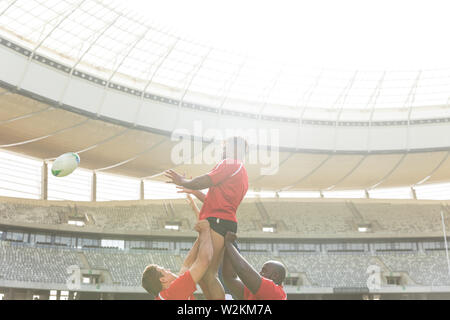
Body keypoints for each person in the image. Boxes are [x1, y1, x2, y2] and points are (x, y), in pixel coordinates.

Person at [164, 136, 249, 300]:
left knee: (209, 274)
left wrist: (184, 181)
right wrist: (195, 192)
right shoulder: (241, 173)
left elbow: (204, 180)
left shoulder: (230, 164)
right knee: (203, 276)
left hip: (217, 222)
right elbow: (217, 202)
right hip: (221, 221)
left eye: (226, 147)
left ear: (236, 149)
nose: (223, 151)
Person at [141, 220, 213, 300]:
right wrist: (206, 229)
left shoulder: (166, 295)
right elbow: (204, 261)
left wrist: (200, 236)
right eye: (164, 270)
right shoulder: (174, 291)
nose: (168, 269)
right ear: (163, 279)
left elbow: (187, 264)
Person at [222, 231, 287, 300]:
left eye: (264, 271)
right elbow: (230, 278)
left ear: (275, 275)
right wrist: (230, 246)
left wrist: (229, 243)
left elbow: (242, 269)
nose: (260, 273)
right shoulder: (254, 291)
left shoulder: (275, 292)